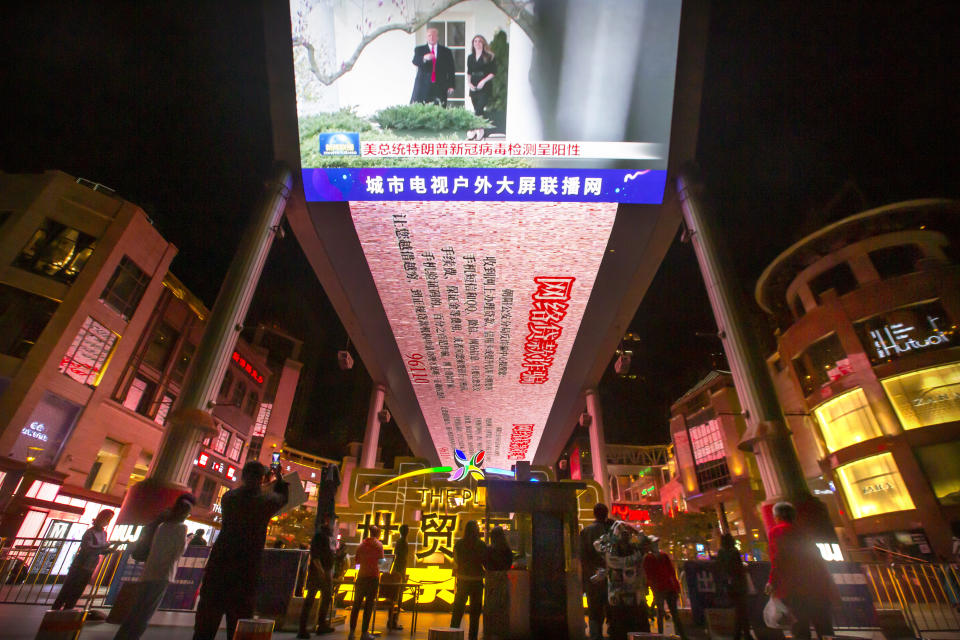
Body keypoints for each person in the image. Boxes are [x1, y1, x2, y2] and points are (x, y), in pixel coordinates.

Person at [193, 461, 289, 640]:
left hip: (220, 564)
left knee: (206, 621)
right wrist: (280, 480)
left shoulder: (229, 497)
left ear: (243, 476)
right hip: (246, 568)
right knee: (239, 623)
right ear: (262, 478)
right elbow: (282, 497)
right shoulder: (265, 501)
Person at [114, 495, 194, 640]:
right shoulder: (182, 528)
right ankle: (134, 637)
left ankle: (121, 636)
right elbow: (178, 552)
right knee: (147, 611)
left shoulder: (161, 525)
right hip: (163, 573)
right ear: (184, 513)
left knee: (137, 608)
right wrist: (188, 540)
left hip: (149, 571)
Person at [766, 501, 835, 640]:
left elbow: (778, 559)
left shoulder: (777, 532)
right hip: (816, 585)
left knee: (800, 627)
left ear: (777, 516)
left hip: (794, 587)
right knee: (823, 627)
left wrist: (772, 582)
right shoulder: (804, 531)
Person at [595, 521, 650, 640]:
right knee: (621, 630)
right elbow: (597, 545)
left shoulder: (612, 555)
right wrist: (634, 530)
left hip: (631, 597)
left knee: (632, 630)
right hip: (620, 599)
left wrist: (612, 534)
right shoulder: (636, 554)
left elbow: (598, 545)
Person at [52, 509, 116, 610]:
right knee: (68, 589)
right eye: (107, 518)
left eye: (110, 519)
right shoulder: (90, 532)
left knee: (78, 591)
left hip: (90, 565)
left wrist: (110, 550)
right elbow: (88, 548)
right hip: (81, 564)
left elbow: (100, 550)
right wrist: (106, 545)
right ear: (101, 517)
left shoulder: (103, 533)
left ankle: (67, 610)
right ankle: (55, 610)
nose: (108, 521)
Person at [580, 503, 613, 640]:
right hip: (613, 578)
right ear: (606, 513)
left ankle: (595, 635)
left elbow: (581, 555)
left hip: (593, 577)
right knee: (612, 608)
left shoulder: (586, 532)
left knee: (594, 610)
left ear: (594, 513)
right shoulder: (613, 529)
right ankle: (614, 631)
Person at [299, 516, 336, 638]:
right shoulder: (320, 537)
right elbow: (315, 555)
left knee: (325, 598)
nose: (333, 527)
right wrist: (322, 571)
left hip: (325, 571)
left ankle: (321, 624)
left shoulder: (326, 538)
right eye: (331, 524)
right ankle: (303, 628)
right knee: (311, 599)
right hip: (319, 573)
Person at [643, 537, 686, 640]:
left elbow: (671, 572)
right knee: (661, 612)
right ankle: (661, 634)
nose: (656, 545)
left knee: (673, 613)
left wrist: (676, 587)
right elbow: (648, 574)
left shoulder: (663, 556)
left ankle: (679, 635)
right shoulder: (649, 558)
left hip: (667, 587)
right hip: (659, 588)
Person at [450, 520, 486, 640]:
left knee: (458, 611)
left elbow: (455, 561)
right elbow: (485, 562)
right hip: (477, 581)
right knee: (475, 614)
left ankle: (453, 634)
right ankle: (472, 637)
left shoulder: (459, 544)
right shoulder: (481, 544)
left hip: (463, 580)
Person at [350, 525, 383, 640]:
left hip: (361, 577)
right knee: (369, 605)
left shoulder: (361, 545)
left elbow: (357, 561)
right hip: (373, 577)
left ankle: (352, 632)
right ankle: (364, 633)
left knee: (356, 605)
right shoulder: (379, 545)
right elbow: (381, 562)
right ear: (378, 533)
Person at [716, 533, 750, 640]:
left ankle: (739, 634)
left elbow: (719, 567)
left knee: (739, 611)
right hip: (739, 585)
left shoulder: (721, 553)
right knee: (742, 611)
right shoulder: (734, 552)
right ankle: (744, 634)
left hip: (729, 586)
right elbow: (739, 568)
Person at [410, 27, 455, 106]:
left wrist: (451, 85)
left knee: (439, 110)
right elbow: (415, 61)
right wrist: (424, 58)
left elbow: (451, 69)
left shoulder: (446, 51)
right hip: (423, 85)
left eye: (434, 35)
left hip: (440, 85)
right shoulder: (419, 49)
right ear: (426, 37)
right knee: (420, 109)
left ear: (437, 37)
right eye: (429, 35)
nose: (432, 37)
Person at [466, 34, 496, 140]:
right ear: (473, 44)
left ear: (483, 43)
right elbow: (469, 72)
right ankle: (480, 130)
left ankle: (473, 129)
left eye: (479, 41)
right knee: (477, 109)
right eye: (475, 41)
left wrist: (483, 81)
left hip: (484, 86)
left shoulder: (489, 56)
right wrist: (469, 83)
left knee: (479, 109)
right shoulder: (470, 57)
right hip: (473, 86)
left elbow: (493, 72)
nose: (477, 43)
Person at [386, 524, 409, 631]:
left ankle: (391, 621)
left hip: (396, 572)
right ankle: (393, 621)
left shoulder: (399, 542)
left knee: (393, 598)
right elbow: (402, 559)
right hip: (399, 573)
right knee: (397, 599)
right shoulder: (403, 543)